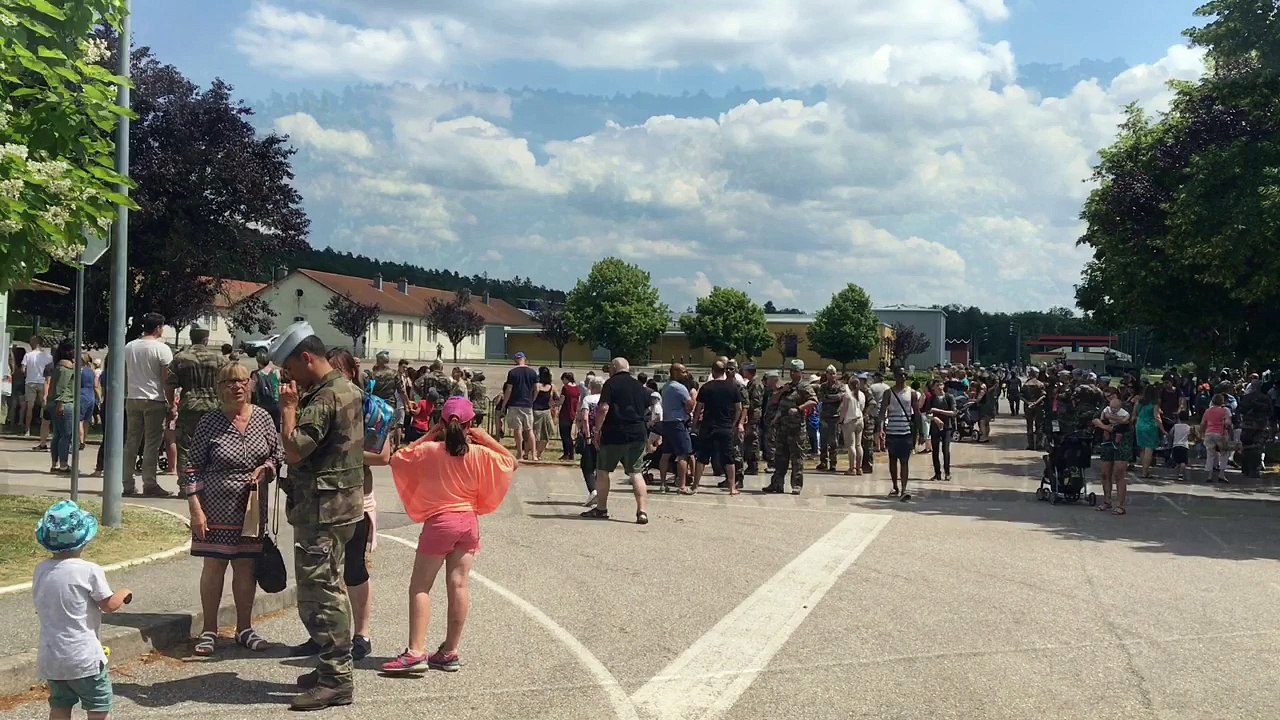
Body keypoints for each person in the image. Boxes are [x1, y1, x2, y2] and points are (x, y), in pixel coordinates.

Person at [383, 397, 516, 674]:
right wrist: (486, 438)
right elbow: (510, 461)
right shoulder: (479, 453)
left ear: (440, 423)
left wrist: (428, 435)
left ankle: (415, 652)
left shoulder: (430, 450)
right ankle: (450, 650)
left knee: (420, 587)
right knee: (459, 586)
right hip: (468, 521)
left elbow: (398, 458)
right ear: (471, 425)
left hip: (440, 523)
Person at [271, 323, 364, 710]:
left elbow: (295, 450)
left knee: (323, 592)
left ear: (306, 358)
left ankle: (336, 680)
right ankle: (330, 666)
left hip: (323, 511)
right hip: (340, 505)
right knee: (327, 586)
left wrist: (289, 410)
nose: (288, 376)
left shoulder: (323, 398)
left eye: (290, 367)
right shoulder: (347, 387)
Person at [285, 347, 393, 663]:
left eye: (337, 369)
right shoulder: (323, 401)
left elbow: (384, 455)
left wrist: (341, 451)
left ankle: (359, 636)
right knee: (325, 577)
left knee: (351, 571)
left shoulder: (366, 404)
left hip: (352, 496)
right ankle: (326, 644)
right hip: (329, 497)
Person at [183, 363, 283, 657]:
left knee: (246, 567)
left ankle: (244, 628)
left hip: (252, 508)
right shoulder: (209, 422)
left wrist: (265, 469)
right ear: (219, 387)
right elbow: (192, 468)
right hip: (214, 508)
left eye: (241, 381)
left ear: (250, 385)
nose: (237, 386)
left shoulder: (263, 418)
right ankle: (210, 630)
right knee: (214, 566)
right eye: (229, 382)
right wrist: (195, 510)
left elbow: (277, 455)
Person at [33, 500, 133, 720]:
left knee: (60, 705)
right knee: (98, 705)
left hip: (52, 655)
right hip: (83, 657)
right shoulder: (89, 570)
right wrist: (124, 592)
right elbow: (108, 605)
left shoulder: (40, 570)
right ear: (83, 540)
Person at [581, 358, 652, 524]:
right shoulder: (640, 387)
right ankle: (642, 511)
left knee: (603, 471)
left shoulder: (610, 384)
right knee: (636, 473)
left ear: (614, 368)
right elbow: (648, 408)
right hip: (637, 434)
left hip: (614, 434)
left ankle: (601, 509)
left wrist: (597, 430)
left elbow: (604, 408)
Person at [122, 313, 176, 497]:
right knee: (152, 443)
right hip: (154, 398)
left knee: (131, 441)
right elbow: (166, 378)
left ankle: (127, 483)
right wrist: (171, 403)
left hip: (132, 397)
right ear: (158, 328)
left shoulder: (129, 347)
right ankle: (149, 483)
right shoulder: (162, 349)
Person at [166, 320, 228, 477]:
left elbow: (169, 385)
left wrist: (172, 405)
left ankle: (185, 484)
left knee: (186, 446)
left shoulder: (180, 358)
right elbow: (226, 384)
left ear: (191, 336)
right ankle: (210, 480)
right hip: (213, 406)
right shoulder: (219, 359)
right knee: (212, 444)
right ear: (206, 339)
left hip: (189, 406)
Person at [691, 361, 744, 495]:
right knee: (728, 457)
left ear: (713, 371)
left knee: (702, 457)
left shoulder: (706, 387)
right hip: (725, 426)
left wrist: (694, 425)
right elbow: (739, 408)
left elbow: (698, 408)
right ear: (725, 371)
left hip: (708, 426)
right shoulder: (733, 387)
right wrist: (734, 423)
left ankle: (695, 486)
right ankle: (732, 488)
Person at [766, 360, 817, 495]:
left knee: (797, 458)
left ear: (801, 373)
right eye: (791, 371)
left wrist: (799, 409)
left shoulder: (804, 387)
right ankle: (776, 484)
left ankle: (796, 485)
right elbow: (774, 400)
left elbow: (813, 401)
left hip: (796, 429)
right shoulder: (787, 387)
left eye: (796, 371)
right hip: (782, 428)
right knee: (780, 457)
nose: (793, 373)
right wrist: (782, 390)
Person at [878, 367, 920, 500]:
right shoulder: (888, 393)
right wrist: (880, 429)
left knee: (904, 461)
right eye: (901, 374)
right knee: (892, 460)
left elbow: (917, 413)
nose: (903, 377)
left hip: (906, 431)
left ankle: (904, 489)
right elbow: (882, 413)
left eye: (905, 374)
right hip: (892, 431)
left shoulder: (912, 393)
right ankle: (895, 485)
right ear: (895, 376)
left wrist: (922, 432)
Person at [658, 364, 696, 494]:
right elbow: (690, 405)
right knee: (683, 454)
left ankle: (663, 484)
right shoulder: (680, 388)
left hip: (667, 422)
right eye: (683, 372)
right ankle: (682, 485)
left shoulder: (666, 386)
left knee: (666, 454)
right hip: (678, 423)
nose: (686, 374)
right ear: (675, 372)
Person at [1094, 391, 1132, 515]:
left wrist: (1109, 417)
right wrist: (1105, 427)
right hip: (1107, 441)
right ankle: (1107, 501)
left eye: (1110, 396)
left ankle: (1120, 505)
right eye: (1107, 397)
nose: (1108, 398)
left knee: (1118, 473)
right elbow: (1096, 419)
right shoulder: (1104, 406)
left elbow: (1125, 420)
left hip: (1123, 442)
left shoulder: (1126, 406)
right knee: (1105, 473)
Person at [501, 353, 539, 460]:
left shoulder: (512, 372)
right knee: (529, 429)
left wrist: (504, 404)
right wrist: (532, 399)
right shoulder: (532, 372)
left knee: (517, 429)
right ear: (525, 359)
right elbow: (537, 388)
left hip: (514, 404)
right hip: (527, 404)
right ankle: (534, 455)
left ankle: (519, 453)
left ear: (516, 360)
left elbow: (509, 389)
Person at [47, 339, 77, 474]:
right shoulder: (67, 366)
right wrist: (60, 402)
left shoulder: (58, 365)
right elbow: (61, 387)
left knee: (58, 434)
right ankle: (64, 464)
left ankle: (55, 463)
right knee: (66, 434)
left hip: (55, 401)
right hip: (64, 402)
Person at [577, 375, 605, 506]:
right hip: (604, 436)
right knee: (600, 465)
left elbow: (585, 418)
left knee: (587, 466)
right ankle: (599, 492)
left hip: (591, 436)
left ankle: (593, 490)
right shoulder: (606, 400)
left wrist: (588, 436)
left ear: (591, 387)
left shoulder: (588, 399)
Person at [23, 335, 52, 447]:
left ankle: (27, 429)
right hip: (43, 381)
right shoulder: (48, 356)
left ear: (36, 342)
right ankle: (45, 430)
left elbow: (23, 369)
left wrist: (27, 375)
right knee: (44, 407)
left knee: (29, 406)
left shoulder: (28, 355)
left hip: (30, 381)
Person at [925, 379, 956, 482]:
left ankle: (947, 473)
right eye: (937, 385)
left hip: (947, 426)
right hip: (935, 427)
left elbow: (953, 412)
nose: (939, 387)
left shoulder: (949, 397)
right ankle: (937, 473)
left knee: (946, 450)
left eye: (941, 385)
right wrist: (935, 418)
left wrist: (938, 411)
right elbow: (928, 414)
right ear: (933, 388)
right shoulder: (932, 398)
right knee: (935, 451)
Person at [815, 366, 845, 472]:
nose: (832, 375)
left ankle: (833, 463)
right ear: (826, 374)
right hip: (824, 416)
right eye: (829, 373)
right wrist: (832, 398)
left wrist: (829, 397)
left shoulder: (840, 385)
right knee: (823, 441)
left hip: (835, 417)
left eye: (833, 373)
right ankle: (823, 462)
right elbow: (820, 398)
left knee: (834, 442)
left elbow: (841, 396)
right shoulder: (822, 386)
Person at [1200, 393, 1233, 483]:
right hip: (1220, 434)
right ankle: (1221, 475)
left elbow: (1203, 423)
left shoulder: (1207, 411)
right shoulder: (1225, 411)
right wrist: (1230, 434)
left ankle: (1209, 476)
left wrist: (1201, 434)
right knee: (1224, 454)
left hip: (1209, 433)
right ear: (1222, 401)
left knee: (1210, 455)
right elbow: (1228, 424)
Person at [838, 375, 866, 476]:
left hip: (850, 421)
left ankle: (852, 468)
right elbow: (862, 407)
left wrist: (840, 421)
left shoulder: (847, 396)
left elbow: (844, 411)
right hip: (860, 419)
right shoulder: (862, 394)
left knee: (851, 446)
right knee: (859, 445)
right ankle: (859, 468)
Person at [1134, 384, 1163, 479]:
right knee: (1149, 449)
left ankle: (1143, 469)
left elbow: (1135, 413)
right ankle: (1145, 471)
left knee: (1142, 449)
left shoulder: (1139, 402)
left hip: (1139, 425)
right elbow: (1157, 417)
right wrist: (1163, 429)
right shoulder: (1155, 403)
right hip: (1150, 426)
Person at [251, 351, 281, 429]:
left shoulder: (255, 374)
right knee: (276, 429)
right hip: (276, 404)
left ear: (258, 361)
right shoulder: (276, 372)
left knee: (263, 428)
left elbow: (252, 390)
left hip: (262, 405)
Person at [531, 366, 556, 460]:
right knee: (546, 434)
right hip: (546, 411)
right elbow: (553, 399)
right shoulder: (551, 386)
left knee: (534, 433)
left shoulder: (537, 385)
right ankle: (539, 453)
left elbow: (533, 398)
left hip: (536, 410)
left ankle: (533, 452)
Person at [556, 372, 581, 461]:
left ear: (566, 379)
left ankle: (566, 453)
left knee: (564, 435)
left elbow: (561, 401)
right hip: (573, 413)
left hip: (565, 413)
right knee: (569, 434)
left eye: (563, 380)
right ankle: (571, 453)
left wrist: (555, 404)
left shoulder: (566, 388)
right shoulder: (577, 388)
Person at [1022, 369, 1046, 450]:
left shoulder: (1026, 384)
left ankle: (1031, 445)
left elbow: (1021, 396)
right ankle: (1039, 444)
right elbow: (1043, 395)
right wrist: (1036, 402)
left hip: (1028, 407)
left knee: (1029, 426)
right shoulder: (1040, 384)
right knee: (1039, 425)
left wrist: (1028, 402)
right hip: (1038, 406)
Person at [1170, 410, 1193, 481]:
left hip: (1175, 445)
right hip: (1184, 445)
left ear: (1179, 418)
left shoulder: (1175, 426)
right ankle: (1180, 475)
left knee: (1177, 461)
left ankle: (1175, 473)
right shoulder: (1188, 427)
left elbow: (1170, 433)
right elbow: (1190, 437)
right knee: (1183, 462)